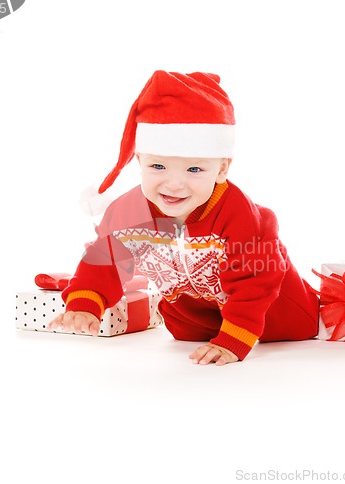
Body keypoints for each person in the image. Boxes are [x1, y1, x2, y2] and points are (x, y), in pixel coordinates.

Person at [48, 70, 319, 366]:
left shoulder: (238, 214)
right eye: (158, 166)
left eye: (194, 170)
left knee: (269, 294)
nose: (173, 184)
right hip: (194, 324)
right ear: (139, 161)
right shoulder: (128, 213)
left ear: (222, 169)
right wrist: (85, 305)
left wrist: (233, 341)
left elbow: (256, 280)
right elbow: (105, 260)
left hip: (275, 319)